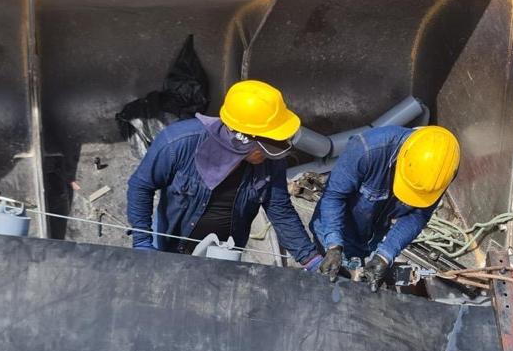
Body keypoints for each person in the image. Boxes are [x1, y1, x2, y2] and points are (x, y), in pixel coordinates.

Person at [126, 79, 321, 267]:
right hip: (171, 245)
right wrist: (142, 241)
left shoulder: (270, 160)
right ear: (240, 138)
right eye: (264, 147)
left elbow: (280, 210)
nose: (269, 153)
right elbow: (141, 186)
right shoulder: (178, 143)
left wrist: (310, 258)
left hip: (225, 254)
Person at [310, 125, 459, 291]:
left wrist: (385, 255)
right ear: (403, 158)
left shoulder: (442, 172)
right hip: (334, 228)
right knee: (325, 284)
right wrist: (333, 246)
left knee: (351, 286)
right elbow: (334, 196)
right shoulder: (366, 150)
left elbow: (418, 216)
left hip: (370, 237)